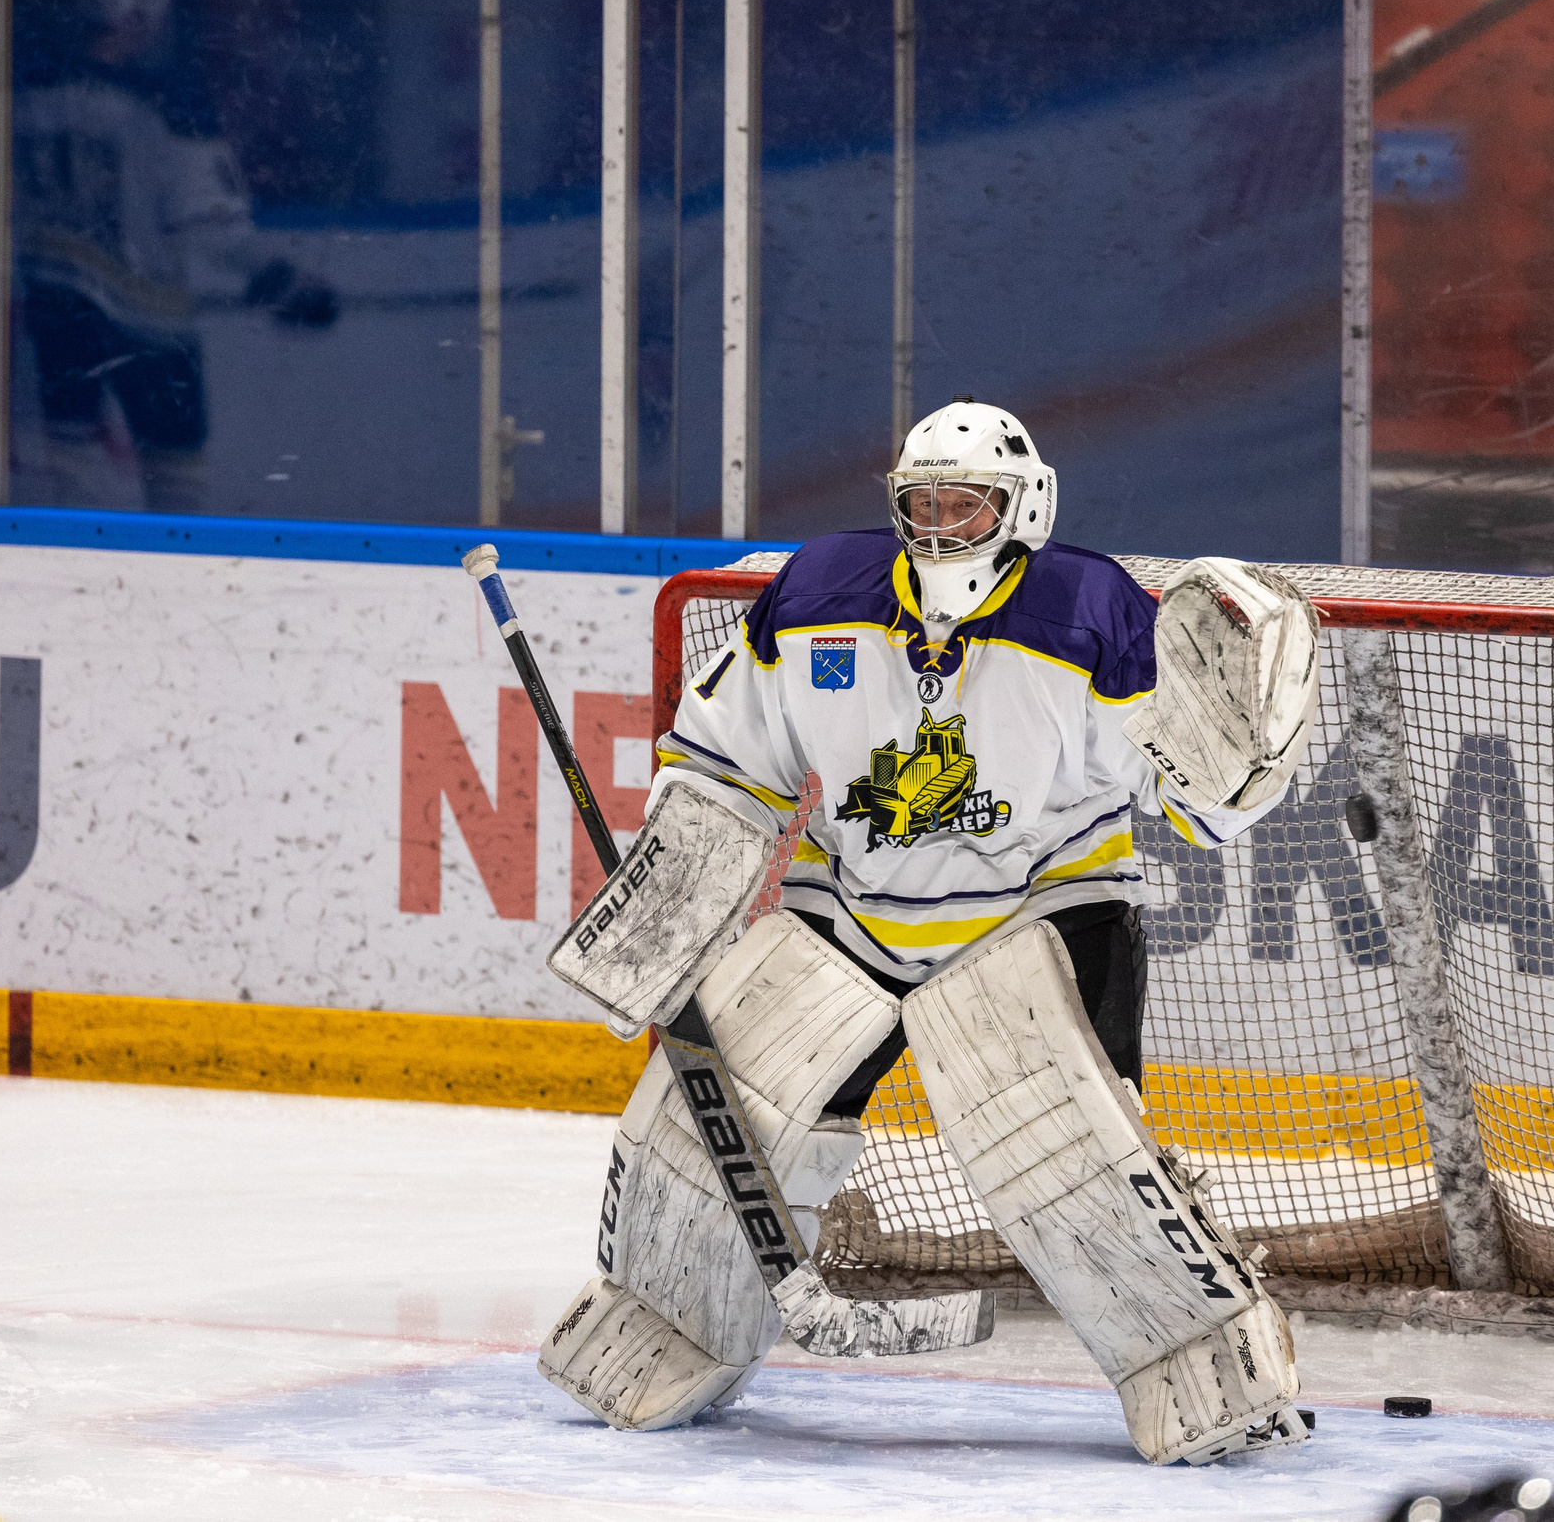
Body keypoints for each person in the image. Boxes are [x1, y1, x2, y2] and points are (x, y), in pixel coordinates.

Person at [535, 399, 1322, 1465]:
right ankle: (669, 1325)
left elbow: (1193, 799)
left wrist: (1243, 762)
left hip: (1043, 905)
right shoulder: (817, 594)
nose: (943, 525)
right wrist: (681, 884)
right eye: (923, 503)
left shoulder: (1093, 612)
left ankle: (1207, 1360)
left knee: (1075, 1156)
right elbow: (729, 760)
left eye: (969, 504)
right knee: (706, 1131)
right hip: (852, 904)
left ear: (1024, 504)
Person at [14, 0, 335, 513]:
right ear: (138, 16)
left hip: (54, 305)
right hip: (148, 320)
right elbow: (210, 225)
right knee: (177, 469)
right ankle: (180, 586)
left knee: (63, 467)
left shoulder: (27, 91)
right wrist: (283, 278)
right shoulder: (166, 104)